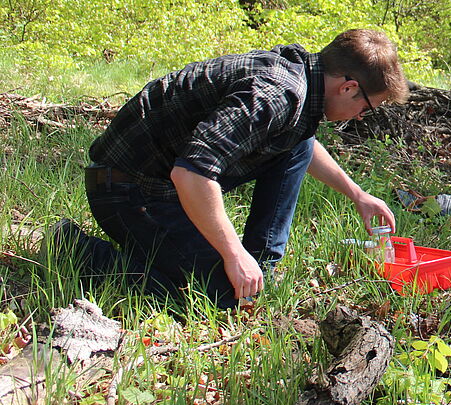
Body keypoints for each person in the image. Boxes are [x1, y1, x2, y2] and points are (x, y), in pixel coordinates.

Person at [59, 29, 408, 309]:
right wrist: (232, 254)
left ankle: (260, 270)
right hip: (127, 189)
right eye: (368, 107)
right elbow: (192, 173)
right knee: (219, 295)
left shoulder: (300, 85)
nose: (362, 115)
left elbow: (301, 145)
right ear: (348, 88)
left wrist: (358, 195)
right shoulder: (276, 95)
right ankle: (76, 250)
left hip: (159, 181)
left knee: (297, 142)